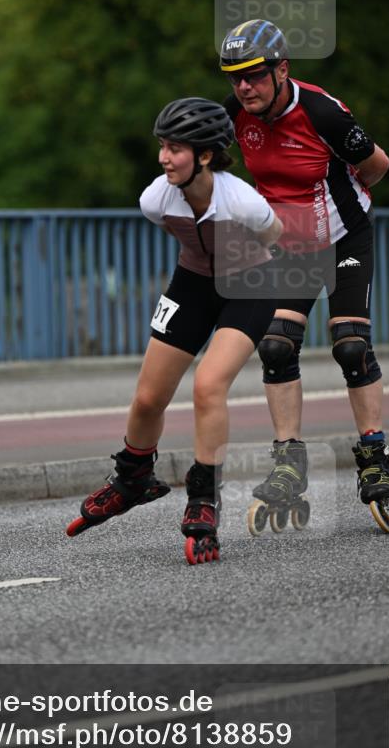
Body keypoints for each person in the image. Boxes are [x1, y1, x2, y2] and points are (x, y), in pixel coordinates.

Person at [65, 97, 284, 564]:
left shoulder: (242, 200)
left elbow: (274, 235)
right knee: (148, 398)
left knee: (208, 386)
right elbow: (180, 234)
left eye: (175, 148)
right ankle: (133, 477)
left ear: (205, 155)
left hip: (251, 285)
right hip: (193, 282)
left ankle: (203, 500)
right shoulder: (155, 197)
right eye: (162, 146)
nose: (164, 157)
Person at [219, 18, 389, 534]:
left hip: (346, 237)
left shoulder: (323, 112)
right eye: (234, 77)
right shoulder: (234, 115)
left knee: (350, 344)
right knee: (277, 345)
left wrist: (340, 207)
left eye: (255, 75)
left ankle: (374, 454)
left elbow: (378, 165)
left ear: (283, 69)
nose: (244, 87)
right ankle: (288, 460)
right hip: (291, 245)